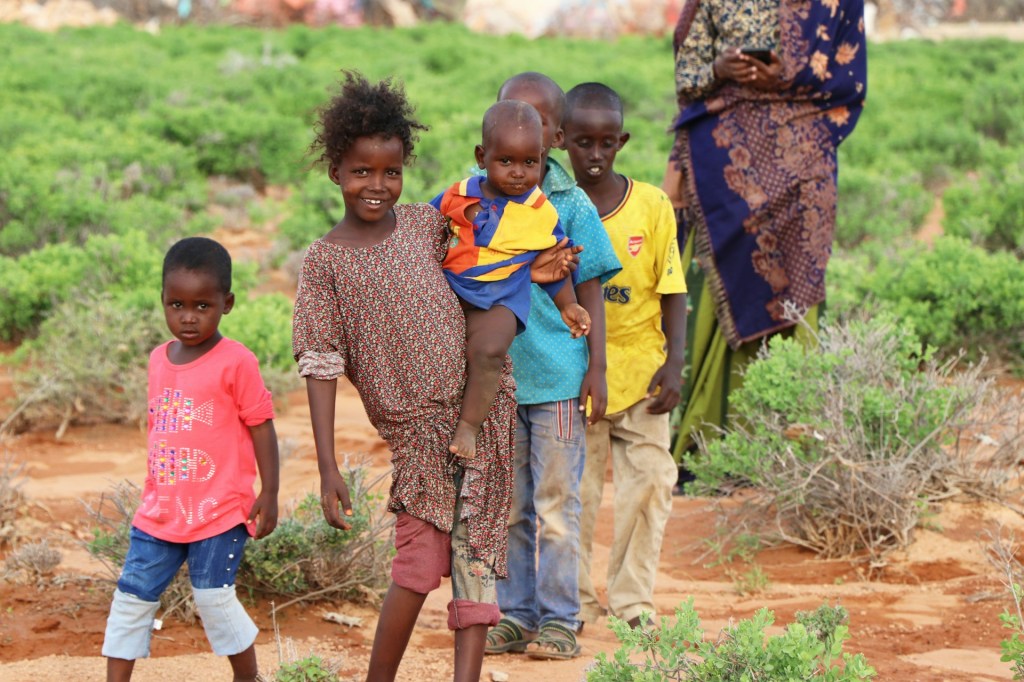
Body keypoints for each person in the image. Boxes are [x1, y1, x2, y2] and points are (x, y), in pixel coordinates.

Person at [290, 71, 577, 682]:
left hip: (483, 412)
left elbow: (492, 264)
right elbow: (319, 364)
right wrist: (326, 465)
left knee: (477, 567)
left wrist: (543, 269)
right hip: (419, 435)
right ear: (336, 171)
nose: (377, 185)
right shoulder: (325, 262)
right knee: (417, 569)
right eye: (362, 172)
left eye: (390, 172)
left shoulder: (430, 224)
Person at [665, 0, 867, 467]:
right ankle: (711, 443)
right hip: (724, 161)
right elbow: (687, 75)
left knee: (797, 286)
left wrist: (785, 77)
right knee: (722, 295)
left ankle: (796, 449)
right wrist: (719, 66)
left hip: (804, 162)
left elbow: (849, 80)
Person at [483, 72, 621, 661]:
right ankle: (515, 613)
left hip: (561, 379)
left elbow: (589, 286)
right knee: (509, 505)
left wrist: (598, 367)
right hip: (499, 378)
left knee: (557, 505)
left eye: (537, 122)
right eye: (512, 117)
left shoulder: (570, 203)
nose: (524, 131)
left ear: (554, 138)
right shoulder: (474, 201)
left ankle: (561, 620)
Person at [102, 237, 280, 682]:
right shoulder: (158, 360)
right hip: (160, 511)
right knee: (131, 597)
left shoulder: (236, 361)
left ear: (227, 303)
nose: (187, 316)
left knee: (213, 599)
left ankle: (248, 677)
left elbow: (261, 424)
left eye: (202, 306)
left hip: (218, 511)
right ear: (162, 300)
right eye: (176, 304)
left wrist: (270, 492)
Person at [562, 82, 687, 630]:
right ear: (562, 139)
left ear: (622, 141)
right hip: (574, 374)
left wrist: (675, 362)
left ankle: (632, 601)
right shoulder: (551, 205)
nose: (594, 155)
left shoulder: (653, 206)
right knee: (575, 494)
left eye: (606, 143)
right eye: (582, 143)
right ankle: (574, 603)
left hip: (642, 371)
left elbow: (673, 287)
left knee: (652, 483)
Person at [432, 99, 591, 460]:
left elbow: (556, 262)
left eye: (529, 162)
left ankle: (469, 426)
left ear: (542, 156)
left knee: (489, 352)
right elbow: (423, 232)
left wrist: (568, 305)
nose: (518, 172)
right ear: (481, 156)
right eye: (506, 161)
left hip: (502, 297)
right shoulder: (459, 194)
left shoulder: (540, 212)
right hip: (450, 292)